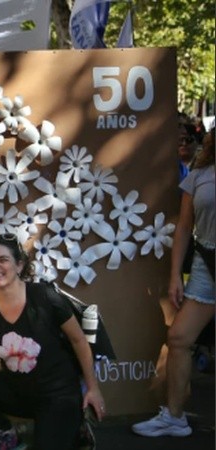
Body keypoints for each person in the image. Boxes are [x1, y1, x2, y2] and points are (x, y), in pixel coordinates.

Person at [0, 234, 106, 450]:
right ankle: (7, 433)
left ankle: (76, 426)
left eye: (3, 260)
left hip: (58, 395)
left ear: (19, 265)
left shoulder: (45, 297)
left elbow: (79, 340)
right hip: (18, 392)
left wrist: (93, 388)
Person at [132, 127, 215, 438]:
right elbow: (183, 227)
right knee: (179, 338)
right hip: (207, 263)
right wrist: (175, 276)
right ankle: (175, 418)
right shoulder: (199, 173)